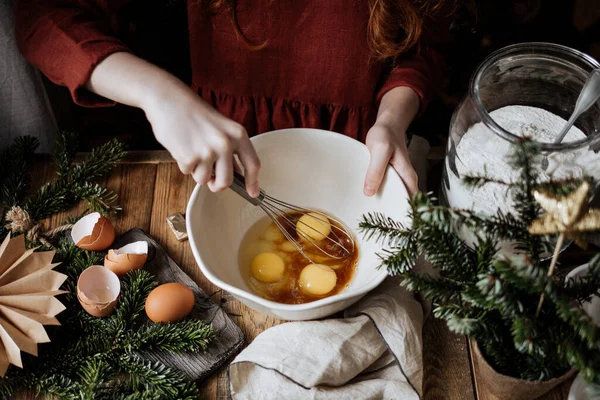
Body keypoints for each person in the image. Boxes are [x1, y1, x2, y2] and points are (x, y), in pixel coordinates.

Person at [15, 0, 453, 197]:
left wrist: (392, 118)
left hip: (354, 156)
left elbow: (424, 38)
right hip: (219, 168)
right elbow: (43, 18)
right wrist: (159, 94)